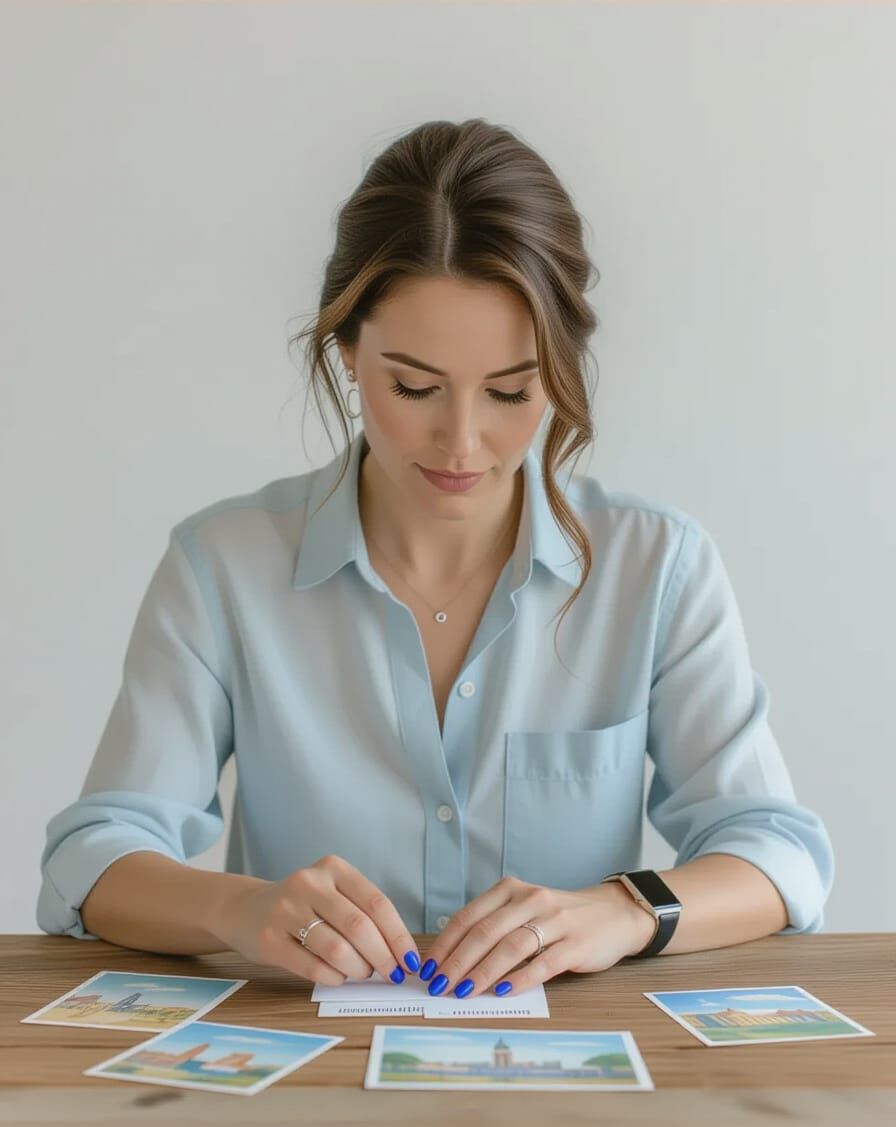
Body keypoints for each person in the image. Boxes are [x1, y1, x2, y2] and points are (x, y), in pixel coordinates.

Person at [37, 117, 834, 1002]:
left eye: (510, 391)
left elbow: (777, 853)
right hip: (306, 1088)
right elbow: (93, 855)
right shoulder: (222, 566)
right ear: (346, 353)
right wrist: (241, 910)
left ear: (561, 371)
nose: (461, 441)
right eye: (413, 387)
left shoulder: (658, 567)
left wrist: (620, 910)